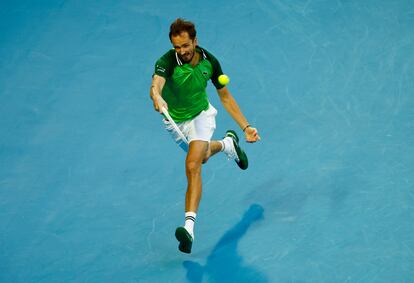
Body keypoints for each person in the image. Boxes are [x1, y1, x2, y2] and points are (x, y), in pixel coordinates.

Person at [150, 18, 260, 254]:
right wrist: (156, 96)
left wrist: (246, 126)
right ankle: (227, 144)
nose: (181, 51)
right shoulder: (167, 61)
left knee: (192, 164)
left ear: (195, 41)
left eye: (185, 46)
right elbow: (156, 84)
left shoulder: (210, 62)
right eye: (177, 47)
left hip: (201, 116)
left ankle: (188, 228)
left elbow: (226, 97)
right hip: (175, 122)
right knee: (202, 156)